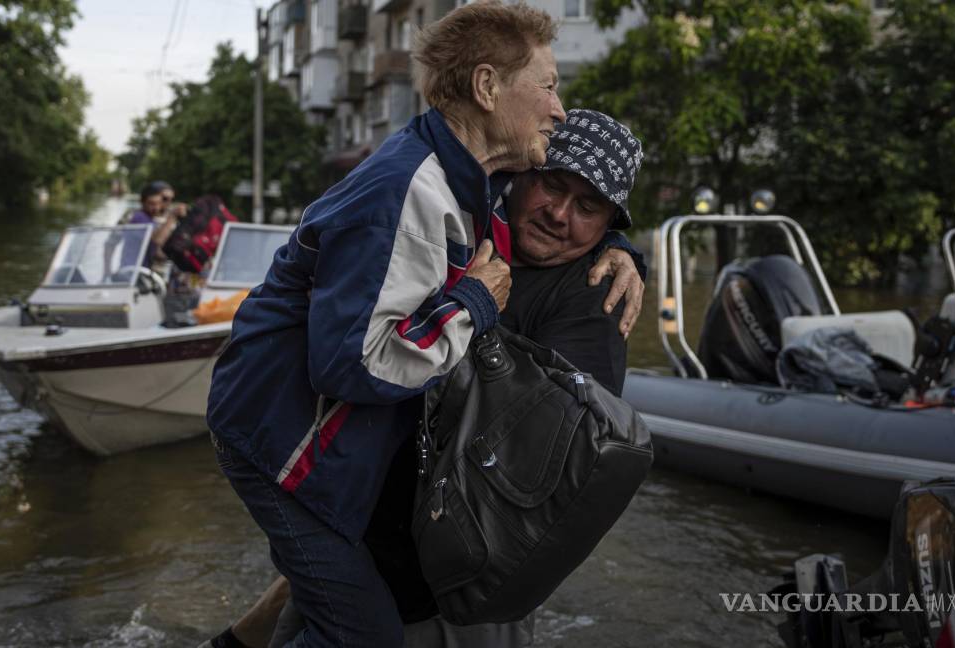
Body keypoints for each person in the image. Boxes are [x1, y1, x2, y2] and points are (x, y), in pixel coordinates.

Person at [205, 4, 637, 645]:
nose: (558, 107)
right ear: (489, 89)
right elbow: (352, 362)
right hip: (291, 446)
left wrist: (632, 254)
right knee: (359, 630)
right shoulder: (419, 193)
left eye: (592, 209)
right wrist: (475, 303)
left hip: (382, 493)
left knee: (335, 611)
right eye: (547, 85)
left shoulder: (477, 188)